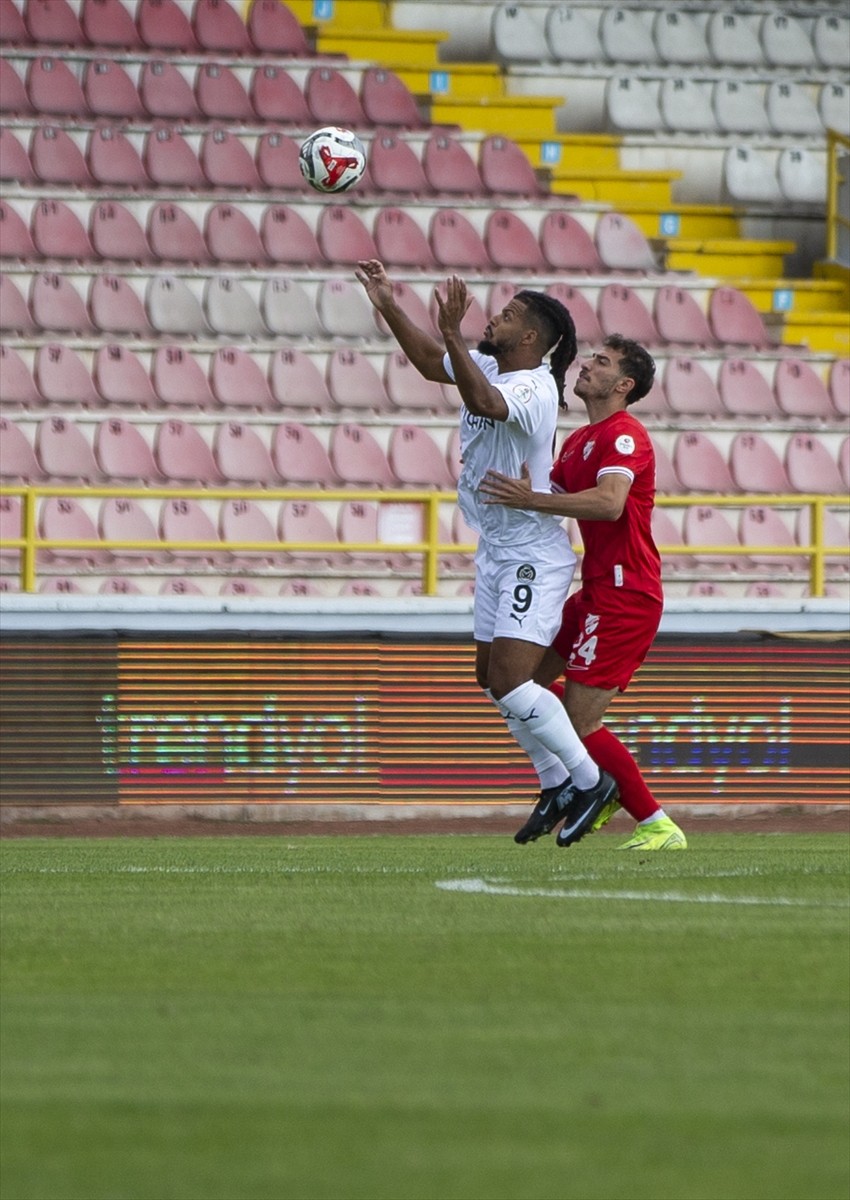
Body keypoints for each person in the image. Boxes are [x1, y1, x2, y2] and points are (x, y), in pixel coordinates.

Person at [355, 261, 619, 841]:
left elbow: (487, 405)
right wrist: (389, 305)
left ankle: (591, 781)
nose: (495, 319)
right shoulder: (496, 365)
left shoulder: (533, 388)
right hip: (497, 548)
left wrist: (452, 330)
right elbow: (433, 365)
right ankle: (554, 781)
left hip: (532, 553)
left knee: (514, 680)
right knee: (490, 678)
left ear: (531, 338)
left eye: (508, 315)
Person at [480, 334, 687, 851]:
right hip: (594, 589)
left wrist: (530, 500)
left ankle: (655, 823)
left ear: (623, 385)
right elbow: (547, 496)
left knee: (579, 719)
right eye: (591, 357)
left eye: (602, 361)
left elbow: (610, 504)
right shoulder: (578, 440)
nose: (588, 365)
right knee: (515, 685)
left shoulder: (625, 435)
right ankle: (565, 785)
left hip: (626, 593)